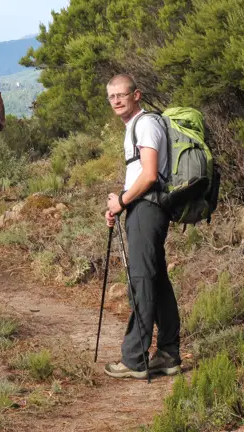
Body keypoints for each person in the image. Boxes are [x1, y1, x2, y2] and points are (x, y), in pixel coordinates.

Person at [103, 73, 182, 379]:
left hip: (147, 209)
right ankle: (168, 355)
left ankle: (135, 358)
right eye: (111, 97)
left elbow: (149, 175)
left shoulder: (145, 124)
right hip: (145, 208)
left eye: (121, 95)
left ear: (136, 95)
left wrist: (122, 201)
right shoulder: (136, 126)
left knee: (142, 281)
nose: (116, 101)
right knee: (157, 280)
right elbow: (141, 176)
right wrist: (120, 203)